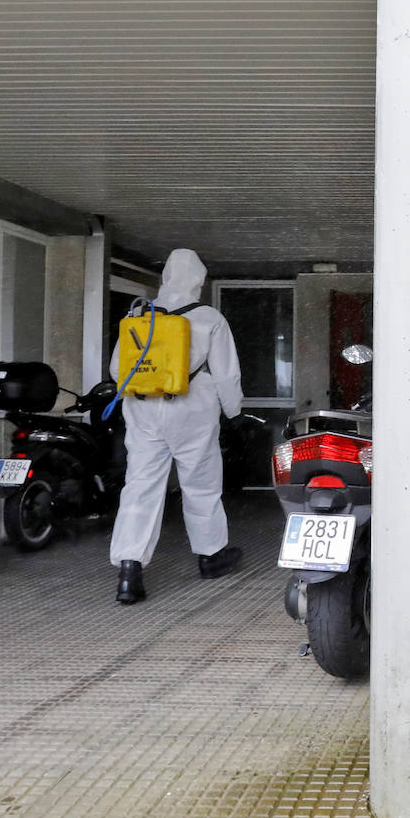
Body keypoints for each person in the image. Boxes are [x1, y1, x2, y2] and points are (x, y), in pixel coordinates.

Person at [109, 248, 245, 604]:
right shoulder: (209, 317)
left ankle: (129, 569)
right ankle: (211, 556)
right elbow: (227, 374)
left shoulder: (139, 313)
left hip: (142, 408)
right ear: (198, 280)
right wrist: (234, 413)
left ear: (165, 277)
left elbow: (115, 371)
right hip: (191, 408)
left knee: (140, 486)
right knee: (200, 484)